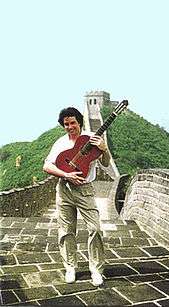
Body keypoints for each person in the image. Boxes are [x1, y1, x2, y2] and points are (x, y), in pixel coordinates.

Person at [43, 107, 110, 286]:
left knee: (95, 228)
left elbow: (105, 163)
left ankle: (96, 270)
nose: (70, 126)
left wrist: (104, 148)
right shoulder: (60, 143)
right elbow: (47, 166)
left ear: (79, 122)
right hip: (64, 189)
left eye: (73, 122)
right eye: (66, 124)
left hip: (85, 189)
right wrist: (66, 175)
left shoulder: (92, 139)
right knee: (66, 231)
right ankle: (70, 267)